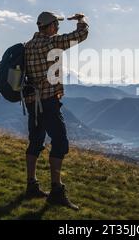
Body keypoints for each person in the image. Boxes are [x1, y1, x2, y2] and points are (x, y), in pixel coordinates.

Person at [23, 11, 89, 210]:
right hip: (49, 102)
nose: (58, 30)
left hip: (31, 101)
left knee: (35, 141)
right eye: (57, 26)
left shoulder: (27, 46)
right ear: (50, 27)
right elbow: (81, 35)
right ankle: (56, 191)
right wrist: (81, 20)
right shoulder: (51, 43)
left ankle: (31, 185)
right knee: (60, 143)